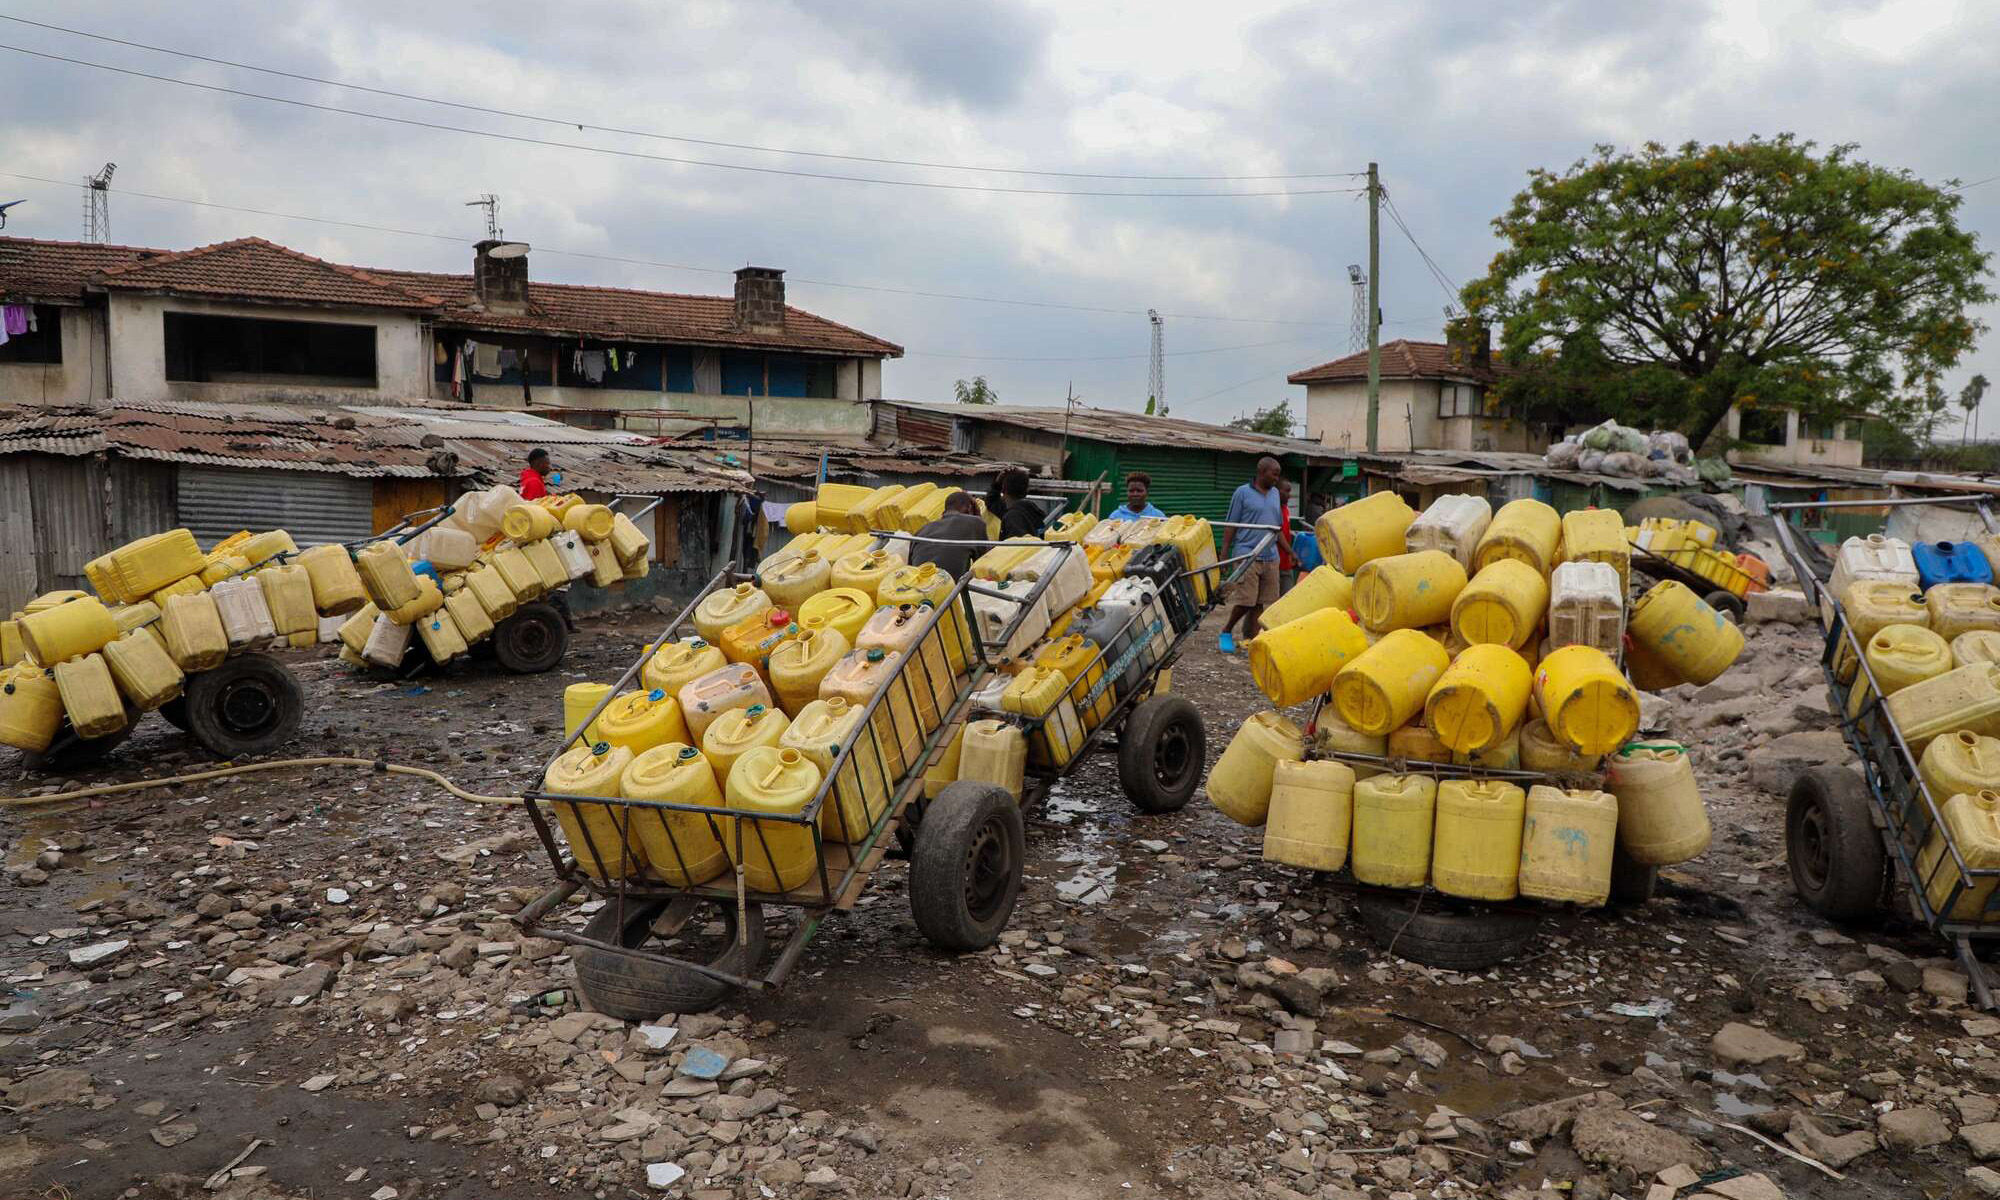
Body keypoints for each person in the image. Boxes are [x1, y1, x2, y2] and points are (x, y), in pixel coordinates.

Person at [1218, 456, 1285, 653]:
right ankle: (1226, 630)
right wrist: (1224, 554)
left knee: (1260, 602)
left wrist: (1288, 551)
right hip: (1247, 554)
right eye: (1274, 474)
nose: (1276, 479)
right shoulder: (1242, 493)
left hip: (1270, 556)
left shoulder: (1275, 494)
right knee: (1246, 600)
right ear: (1262, 472)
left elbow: (1277, 527)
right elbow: (1231, 524)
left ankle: (1252, 640)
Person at [912, 490, 988, 577]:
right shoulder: (975, 523)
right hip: (951, 588)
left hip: (917, 587)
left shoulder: (921, 530)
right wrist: (978, 517)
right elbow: (984, 565)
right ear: (969, 508)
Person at [991, 468, 1043, 539]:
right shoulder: (1034, 511)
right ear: (1026, 491)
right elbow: (992, 503)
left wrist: (996, 485)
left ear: (1003, 490)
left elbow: (1015, 547)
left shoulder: (1012, 517)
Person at [1275, 479, 1298, 595]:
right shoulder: (1275, 509)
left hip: (1285, 561)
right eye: (1287, 491)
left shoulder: (1285, 509)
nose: (1290, 495)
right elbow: (1279, 534)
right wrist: (1292, 552)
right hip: (1277, 561)